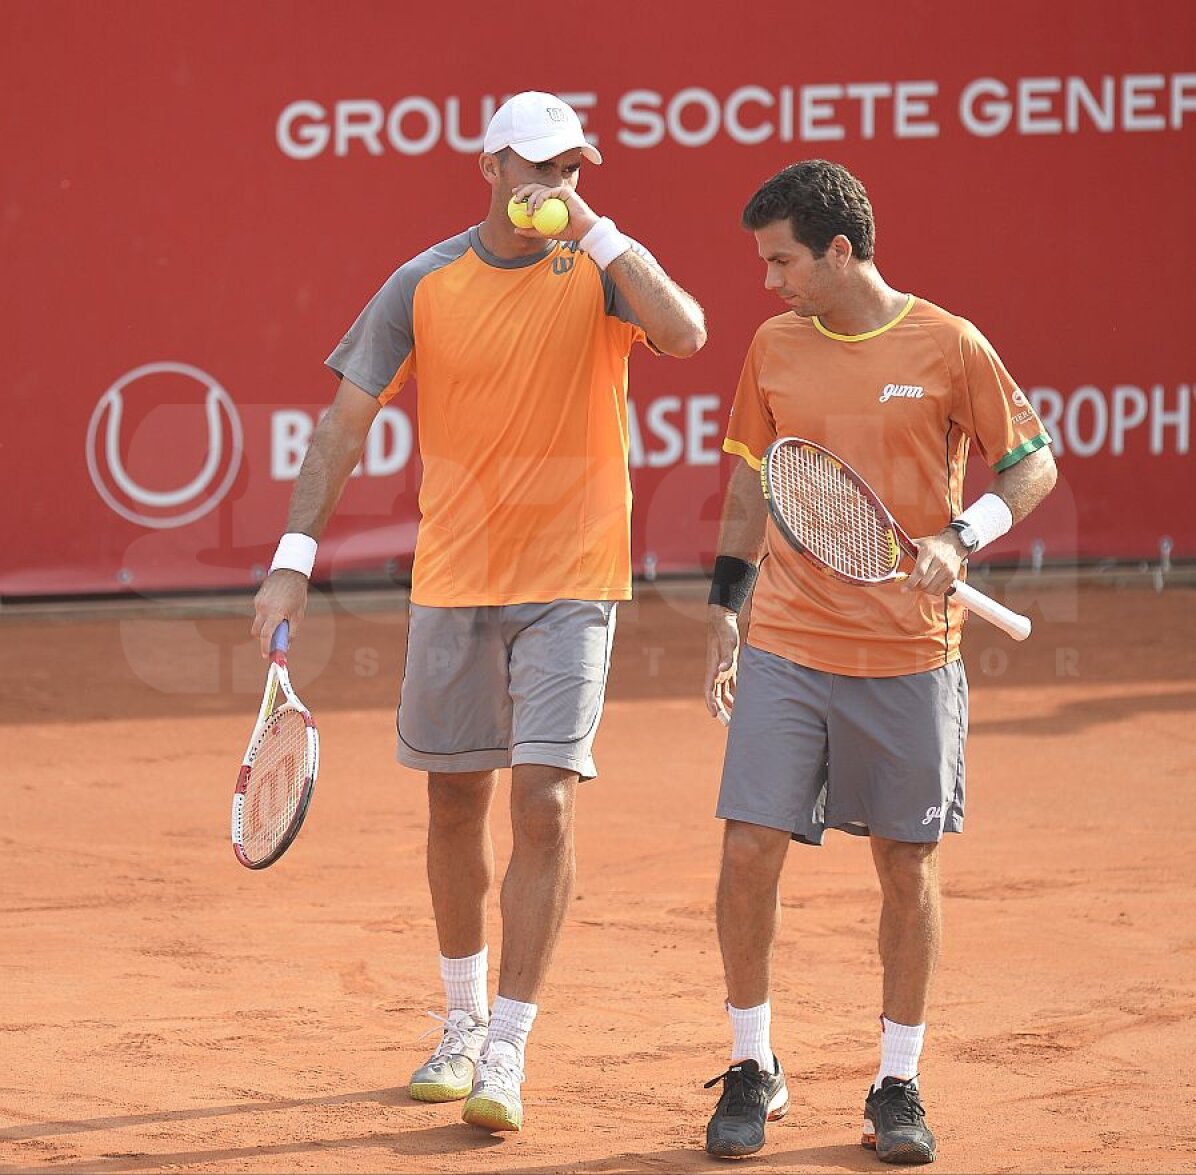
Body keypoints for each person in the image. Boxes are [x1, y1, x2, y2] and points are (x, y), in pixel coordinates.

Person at [252, 90, 706, 1134]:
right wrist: (292, 559)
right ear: (489, 169)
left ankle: (507, 1041)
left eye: (574, 168)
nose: (556, 184)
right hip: (454, 579)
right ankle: (457, 1022)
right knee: (455, 802)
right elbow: (343, 421)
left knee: (543, 802)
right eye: (538, 167)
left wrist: (597, 232)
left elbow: (685, 332)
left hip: (572, 578)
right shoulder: (424, 283)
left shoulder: (600, 268)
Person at [700, 160, 1057, 1164]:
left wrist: (961, 535)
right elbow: (749, 488)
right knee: (747, 849)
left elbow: (1031, 462)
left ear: (840, 250)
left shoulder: (949, 344)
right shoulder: (771, 346)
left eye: (782, 262)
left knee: (907, 863)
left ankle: (897, 1080)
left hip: (908, 655)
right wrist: (726, 605)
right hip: (789, 643)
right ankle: (751, 1062)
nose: (769, 282)